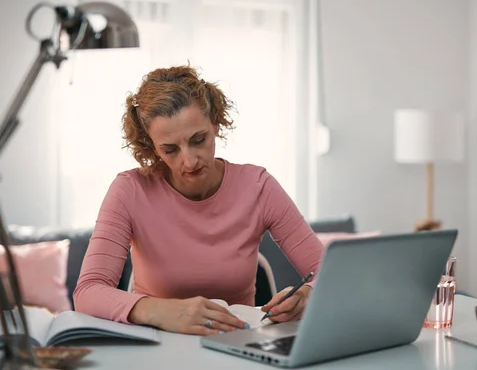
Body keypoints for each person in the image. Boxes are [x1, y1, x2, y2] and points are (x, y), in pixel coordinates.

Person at [73, 65, 325, 336]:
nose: (189, 161)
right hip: (158, 346)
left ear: (215, 124)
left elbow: (328, 271)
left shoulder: (258, 187)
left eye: (199, 140)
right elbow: (88, 291)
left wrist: (308, 295)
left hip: (240, 347)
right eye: (169, 150)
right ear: (151, 147)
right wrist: (160, 311)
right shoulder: (130, 190)